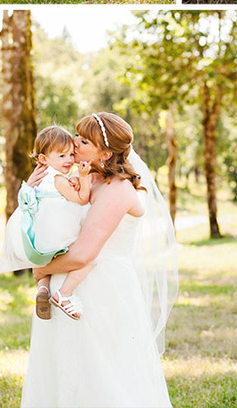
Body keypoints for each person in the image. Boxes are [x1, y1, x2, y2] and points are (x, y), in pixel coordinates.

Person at [21, 112, 178, 408]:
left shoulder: (118, 190)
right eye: (77, 136)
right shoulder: (85, 176)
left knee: (100, 374)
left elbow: (85, 253)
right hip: (66, 285)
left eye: (83, 140)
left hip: (101, 290)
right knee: (62, 371)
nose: (74, 143)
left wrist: (41, 269)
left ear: (105, 153)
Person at [0, 126, 92, 321]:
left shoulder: (42, 178)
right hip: (60, 230)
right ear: (43, 159)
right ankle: (65, 294)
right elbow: (82, 199)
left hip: (40, 232)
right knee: (86, 259)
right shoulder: (58, 179)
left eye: (70, 155)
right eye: (62, 156)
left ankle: (43, 289)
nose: (69, 160)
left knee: (43, 263)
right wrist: (83, 178)